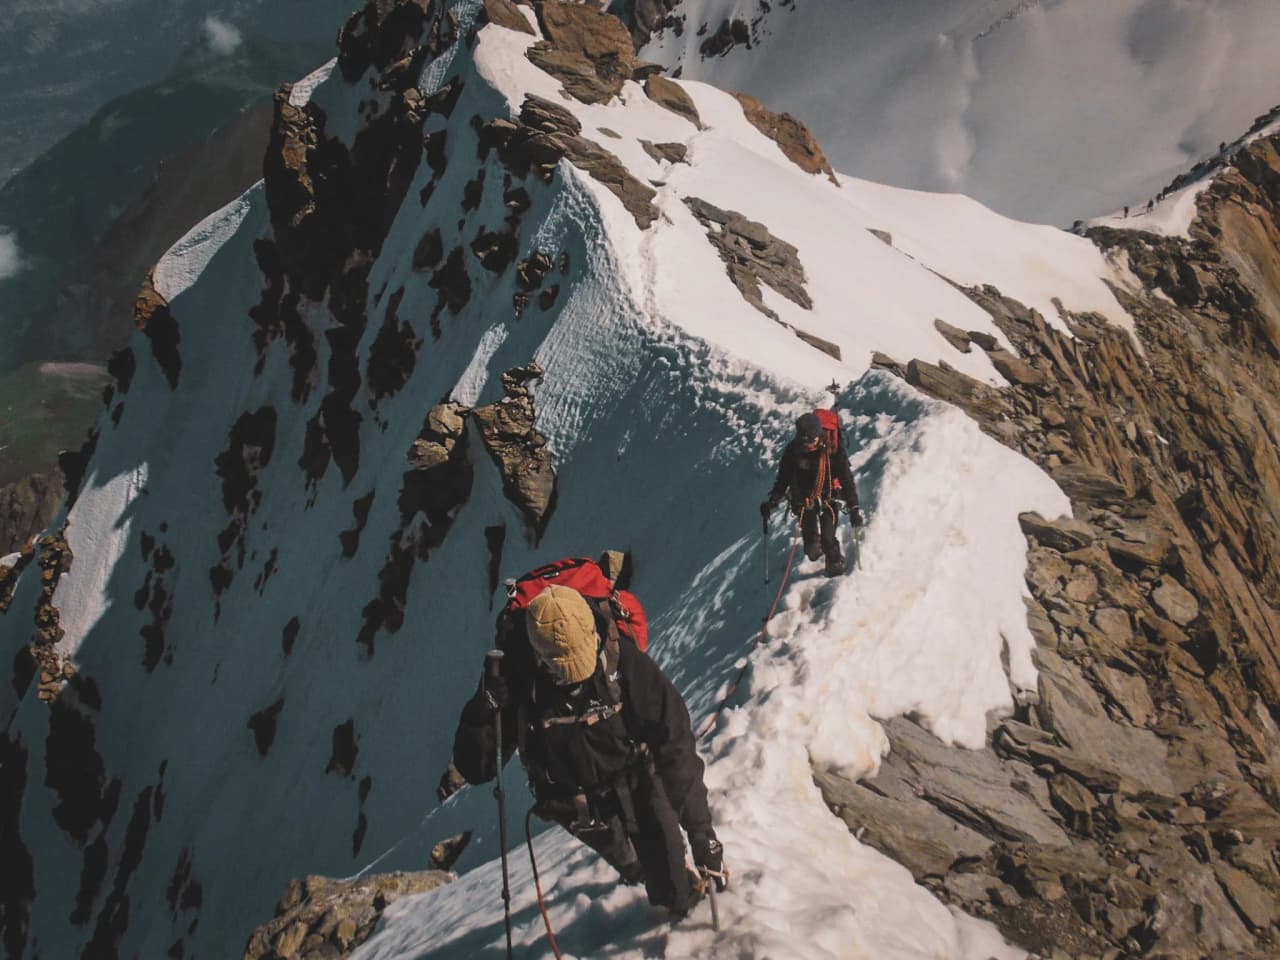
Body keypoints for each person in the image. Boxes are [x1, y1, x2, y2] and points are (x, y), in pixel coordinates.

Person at [440, 575, 727, 918]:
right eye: (564, 669)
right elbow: (477, 768)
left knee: (670, 882)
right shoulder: (517, 678)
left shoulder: (623, 660)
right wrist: (480, 711)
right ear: (539, 655)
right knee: (633, 863)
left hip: (635, 776)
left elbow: (674, 744)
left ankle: (676, 895)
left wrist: (701, 833)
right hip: (575, 801)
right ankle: (641, 871)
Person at [760, 412, 863, 576]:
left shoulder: (832, 451)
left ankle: (835, 568)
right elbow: (784, 478)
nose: (808, 444)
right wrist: (773, 501)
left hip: (828, 498)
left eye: (811, 440)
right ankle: (815, 548)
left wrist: (854, 508)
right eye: (804, 440)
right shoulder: (793, 450)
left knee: (828, 540)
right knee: (811, 547)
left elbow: (847, 481)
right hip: (802, 500)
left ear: (818, 435)